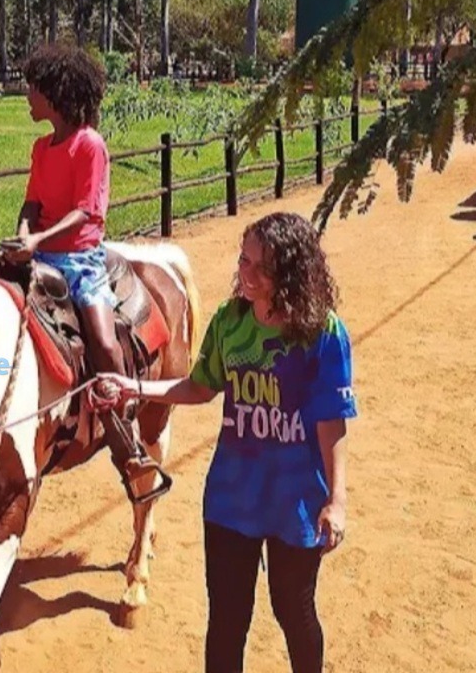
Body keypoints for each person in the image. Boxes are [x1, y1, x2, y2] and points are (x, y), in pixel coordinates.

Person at [98, 211, 357, 673]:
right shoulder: (230, 321)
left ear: (291, 273)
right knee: (226, 621)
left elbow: (330, 421)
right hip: (231, 500)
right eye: (244, 260)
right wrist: (134, 388)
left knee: (293, 611)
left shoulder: (324, 334)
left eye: (262, 267)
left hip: (295, 502)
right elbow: (200, 386)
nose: (247, 274)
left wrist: (336, 500)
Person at [0, 42, 138, 470]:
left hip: (80, 259)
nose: (27, 95)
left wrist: (38, 241)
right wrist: (24, 235)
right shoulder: (42, 148)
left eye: (33, 88)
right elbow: (32, 202)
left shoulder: (89, 145)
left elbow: (86, 211)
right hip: (40, 253)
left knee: (103, 341)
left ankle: (124, 423)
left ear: (54, 93)